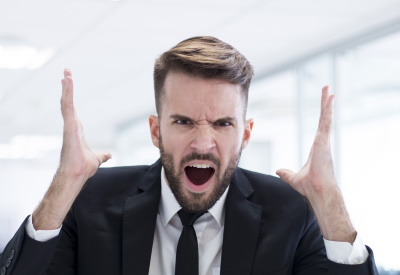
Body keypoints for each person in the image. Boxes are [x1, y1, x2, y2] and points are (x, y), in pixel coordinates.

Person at [0, 36, 378, 275]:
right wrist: (62, 189)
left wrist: (331, 207)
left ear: (245, 134)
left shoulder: (292, 211)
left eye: (222, 124)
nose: (202, 143)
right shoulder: (89, 199)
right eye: (183, 121)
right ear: (155, 130)